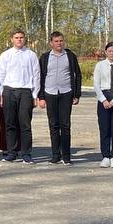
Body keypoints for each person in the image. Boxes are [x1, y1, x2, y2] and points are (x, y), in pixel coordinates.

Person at [37, 31, 82, 165]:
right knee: (53, 125)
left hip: (66, 93)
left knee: (65, 125)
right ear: (51, 43)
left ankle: (66, 156)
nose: (59, 43)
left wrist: (76, 94)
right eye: (56, 41)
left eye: (61, 41)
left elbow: (77, 75)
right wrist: (41, 97)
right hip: (50, 93)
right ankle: (55, 155)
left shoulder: (70, 56)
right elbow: (39, 77)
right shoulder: (45, 57)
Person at [0, 30, 40, 164]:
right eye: (16, 38)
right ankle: (11, 153)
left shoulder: (31, 55)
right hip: (9, 91)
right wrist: (1, 93)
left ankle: (26, 153)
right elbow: (0, 75)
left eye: (21, 37)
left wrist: (35, 94)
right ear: (12, 39)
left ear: (24, 39)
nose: (19, 40)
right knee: (10, 124)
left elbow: (36, 75)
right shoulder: (5, 55)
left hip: (26, 92)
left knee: (25, 124)